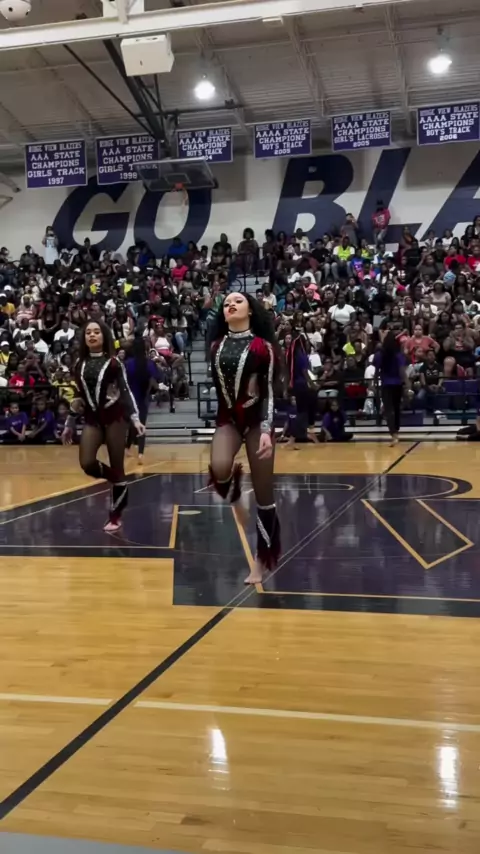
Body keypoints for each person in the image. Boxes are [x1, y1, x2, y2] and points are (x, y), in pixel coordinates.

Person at [208, 292, 282, 584]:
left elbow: (270, 392)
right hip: (229, 419)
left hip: (257, 422)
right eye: (227, 303)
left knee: (264, 496)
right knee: (219, 467)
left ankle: (262, 561)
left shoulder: (264, 347)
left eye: (237, 301)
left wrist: (266, 429)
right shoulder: (215, 346)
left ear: (250, 310)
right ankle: (235, 497)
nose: (231, 305)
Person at [62, 320, 145, 533]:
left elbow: (125, 390)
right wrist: (70, 422)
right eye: (88, 332)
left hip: (115, 417)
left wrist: (135, 418)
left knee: (117, 463)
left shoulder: (114, 363)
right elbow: (78, 396)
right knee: (87, 462)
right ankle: (118, 480)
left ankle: (115, 515)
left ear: (104, 336)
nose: (92, 335)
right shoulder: (78, 364)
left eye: (96, 332)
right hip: (93, 418)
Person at [125, 335, 159, 464]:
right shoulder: (149, 363)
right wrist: (151, 390)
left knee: (133, 424)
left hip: (131, 397)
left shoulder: (128, 364)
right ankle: (140, 453)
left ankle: (128, 447)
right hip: (143, 397)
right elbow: (153, 381)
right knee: (141, 424)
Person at [373, 332, 406, 446]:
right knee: (396, 409)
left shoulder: (379, 355)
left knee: (389, 410)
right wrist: (406, 384)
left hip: (386, 384)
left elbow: (376, 372)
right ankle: (396, 430)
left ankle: (393, 434)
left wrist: (375, 384)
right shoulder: (399, 355)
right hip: (398, 384)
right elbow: (402, 371)